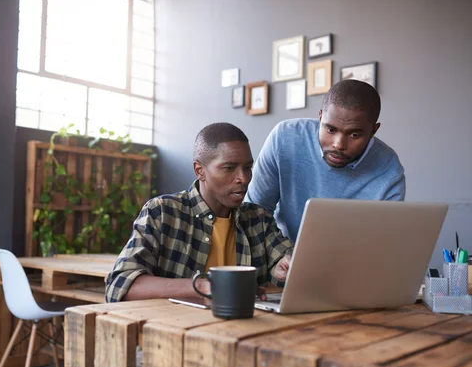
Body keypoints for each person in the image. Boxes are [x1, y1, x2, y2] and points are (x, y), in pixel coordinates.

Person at [105, 122, 293, 302]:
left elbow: (283, 262)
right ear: (199, 170)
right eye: (229, 168)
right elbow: (120, 284)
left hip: (241, 331)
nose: (243, 178)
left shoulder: (258, 219)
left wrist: (284, 267)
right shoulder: (162, 213)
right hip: (177, 329)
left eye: (247, 167)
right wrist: (202, 287)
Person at [245, 80, 405, 281]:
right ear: (320, 117)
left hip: (352, 278)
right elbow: (254, 214)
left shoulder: (389, 170)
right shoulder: (284, 138)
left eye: (354, 134)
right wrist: (277, 256)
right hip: (284, 270)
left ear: (373, 130)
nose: (338, 144)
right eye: (330, 129)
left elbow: (382, 245)